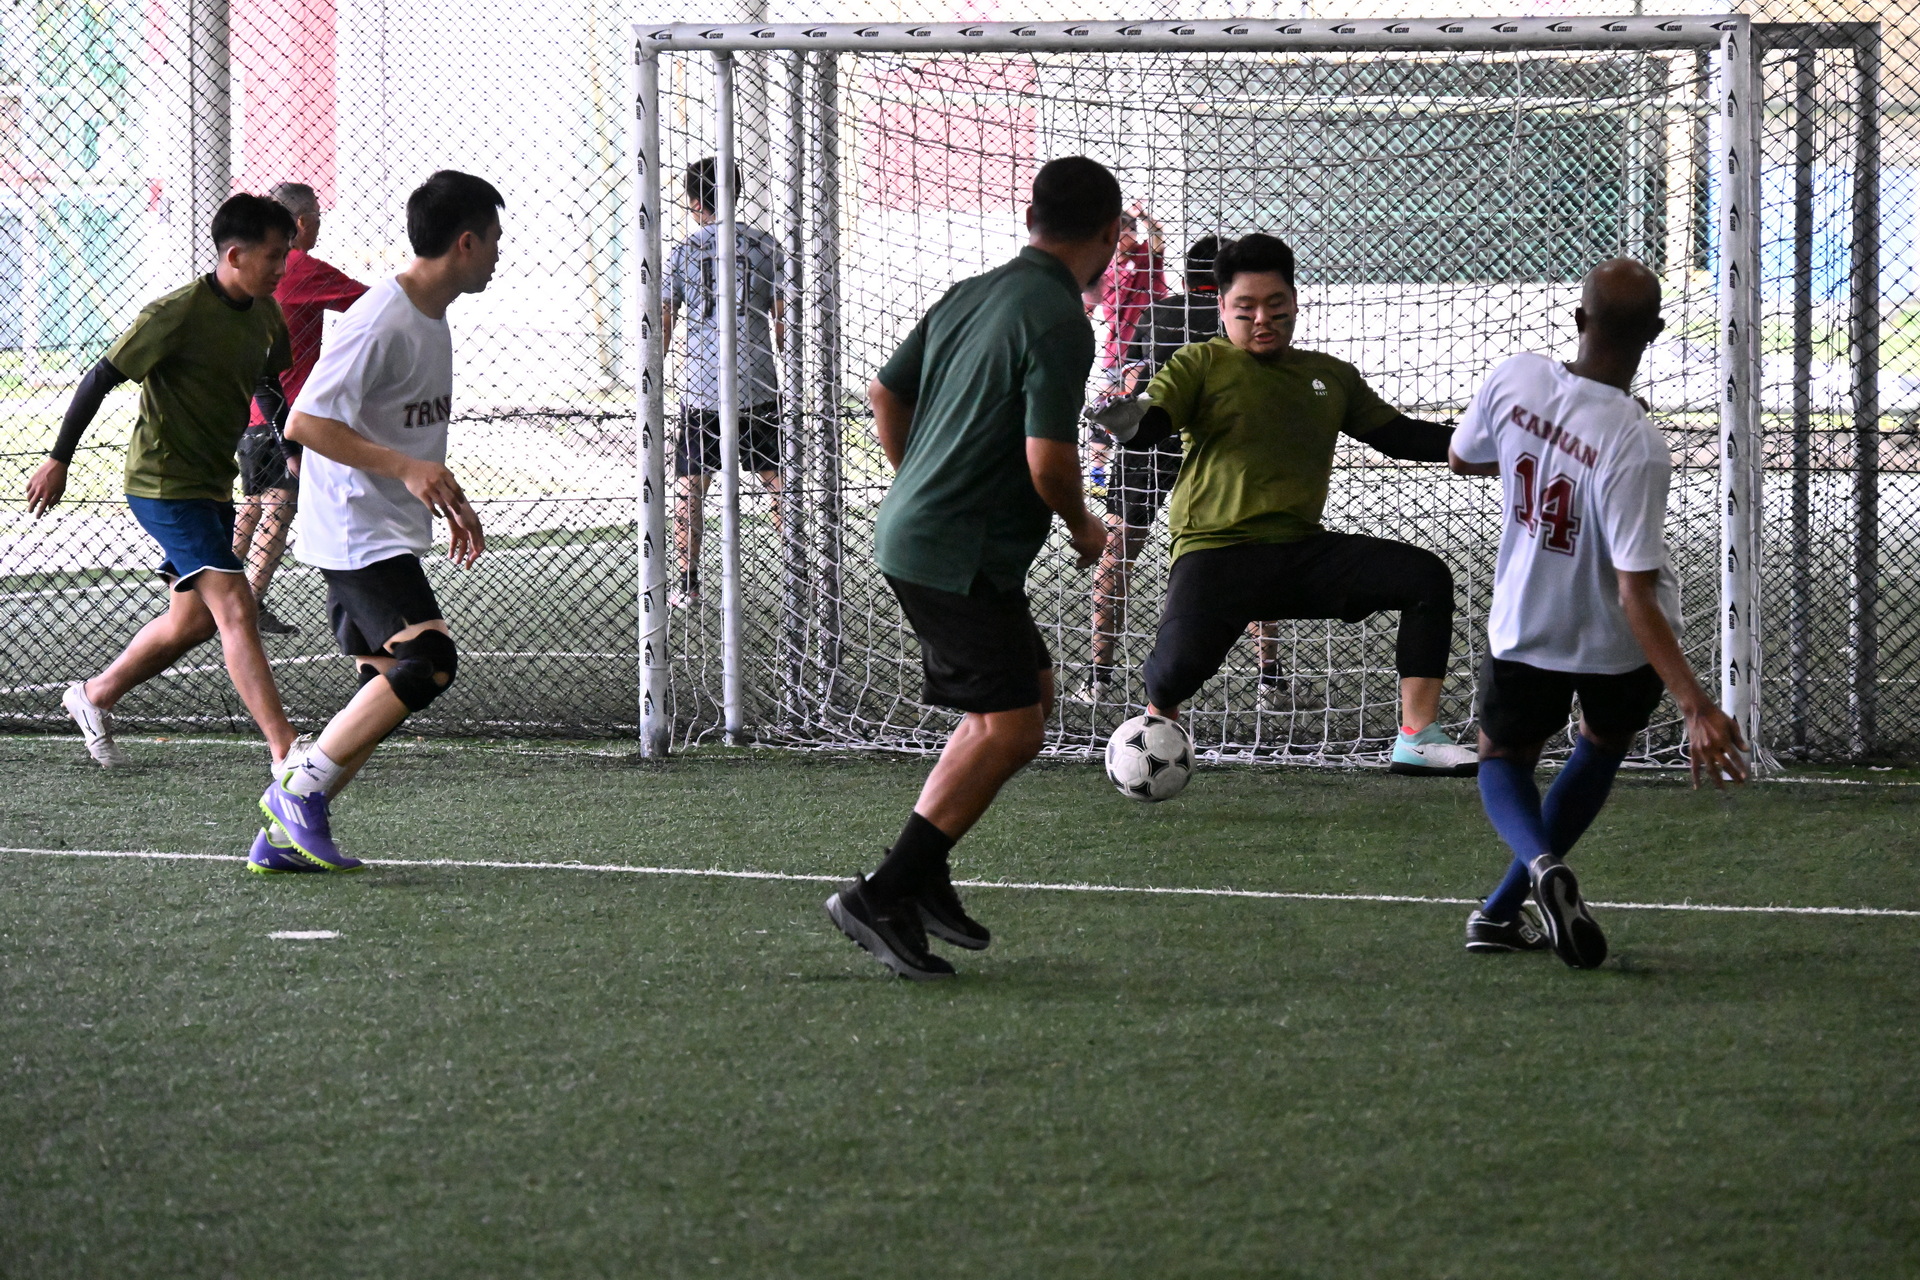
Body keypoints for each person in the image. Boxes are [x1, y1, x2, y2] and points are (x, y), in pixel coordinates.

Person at [824, 156, 1119, 980]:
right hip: (954, 552)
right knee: (1013, 726)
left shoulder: (972, 291)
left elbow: (885, 393)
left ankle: (923, 876)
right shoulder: (1061, 320)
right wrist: (1084, 527)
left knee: (1029, 696)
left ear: (1031, 218)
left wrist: (917, 478)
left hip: (934, 538)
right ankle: (884, 893)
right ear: (1111, 234)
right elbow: (1049, 460)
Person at [1448, 258, 1746, 966]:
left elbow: (1462, 458)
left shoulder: (1516, 378)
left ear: (1580, 319)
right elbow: (1633, 592)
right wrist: (1696, 704)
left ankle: (1539, 869)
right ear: (1656, 332)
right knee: (1602, 743)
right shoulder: (1636, 443)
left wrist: (1534, 455)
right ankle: (1498, 911)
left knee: (1502, 757)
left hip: (1529, 621)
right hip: (1618, 647)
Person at [1093, 233, 1478, 776]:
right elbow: (1155, 419)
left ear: (1295, 303)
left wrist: (1495, 443)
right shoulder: (1200, 362)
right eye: (1245, 308)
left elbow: (1402, 437)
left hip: (1300, 552)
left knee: (1425, 578)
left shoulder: (1329, 375)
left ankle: (1417, 738)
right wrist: (1128, 420)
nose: (1262, 319)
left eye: (1275, 306)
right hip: (1216, 552)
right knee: (1173, 675)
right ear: (1222, 307)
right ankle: (1156, 725)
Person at [249, 170, 501, 875]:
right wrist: (408, 471)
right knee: (431, 662)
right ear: (465, 242)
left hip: (378, 524)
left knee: (386, 681)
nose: (499, 254)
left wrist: (442, 491)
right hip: (354, 528)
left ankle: (281, 840)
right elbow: (305, 423)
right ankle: (299, 789)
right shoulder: (381, 318)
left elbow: (408, 435)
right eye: (494, 240)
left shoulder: (430, 315)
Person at [26, 193, 301, 770]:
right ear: (234, 255)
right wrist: (58, 459)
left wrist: (290, 446)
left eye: (286, 254)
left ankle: (93, 695)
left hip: (211, 484)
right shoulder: (174, 313)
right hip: (162, 484)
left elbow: (267, 383)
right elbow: (100, 377)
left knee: (193, 621)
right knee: (236, 605)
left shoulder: (265, 313)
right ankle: (285, 750)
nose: (283, 267)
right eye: (274, 256)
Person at [1076, 233, 1219, 703]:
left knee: (1117, 551)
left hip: (1151, 438)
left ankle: (1099, 677)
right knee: (1246, 548)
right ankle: (1270, 678)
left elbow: (1133, 374)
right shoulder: (1232, 318)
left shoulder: (1159, 312)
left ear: (1186, 276)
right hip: (1213, 443)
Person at [235, 180, 371, 636]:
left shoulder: (260, 270)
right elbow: (373, 303)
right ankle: (248, 604)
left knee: (253, 505)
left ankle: (211, 597)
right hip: (286, 412)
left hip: (250, 409)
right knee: (279, 507)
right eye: (317, 217)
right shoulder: (302, 268)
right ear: (299, 222)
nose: (319, 225)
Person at [663, 157, 786, 608]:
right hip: (757, 381)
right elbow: (783, 323)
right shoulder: (767, 247)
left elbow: (664, 319)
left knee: (690, 483)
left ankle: (688, 582)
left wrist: (654, 372)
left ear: (697, 202)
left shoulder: (683, 252)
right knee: (776, 477)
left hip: (703, 386)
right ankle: (799, 574)